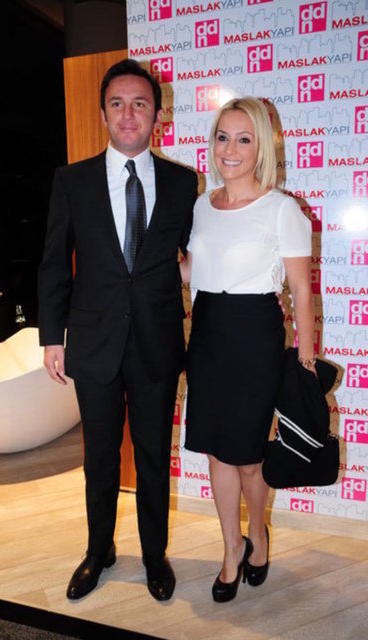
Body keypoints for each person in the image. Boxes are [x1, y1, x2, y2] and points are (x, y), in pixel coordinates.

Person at [38, 59, 198, 601]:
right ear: (103, 113)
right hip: (93, 344)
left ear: (157, 114)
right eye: (117, 104)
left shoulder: (182, 183)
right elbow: (54, 263)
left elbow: (199, 255)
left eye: (140, 104)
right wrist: (52, 337)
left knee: (153, 456)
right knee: (100, 458)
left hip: (157, 344)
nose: (129, 114)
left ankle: (154, 555)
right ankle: (98, 550)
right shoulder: (72, 181)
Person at [180, 96, 315, 603]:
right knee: (216, 450)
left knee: (250, 457)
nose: (230, 150)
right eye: (222, 137)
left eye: (243, 139)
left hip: (256, 337)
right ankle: (231, 547)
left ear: (261, 148)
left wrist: (304, 363)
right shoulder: (201, 205)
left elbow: (301, 291)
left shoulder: (282, 209)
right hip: (207, 334)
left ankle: (257, 532)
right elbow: (193, 271)